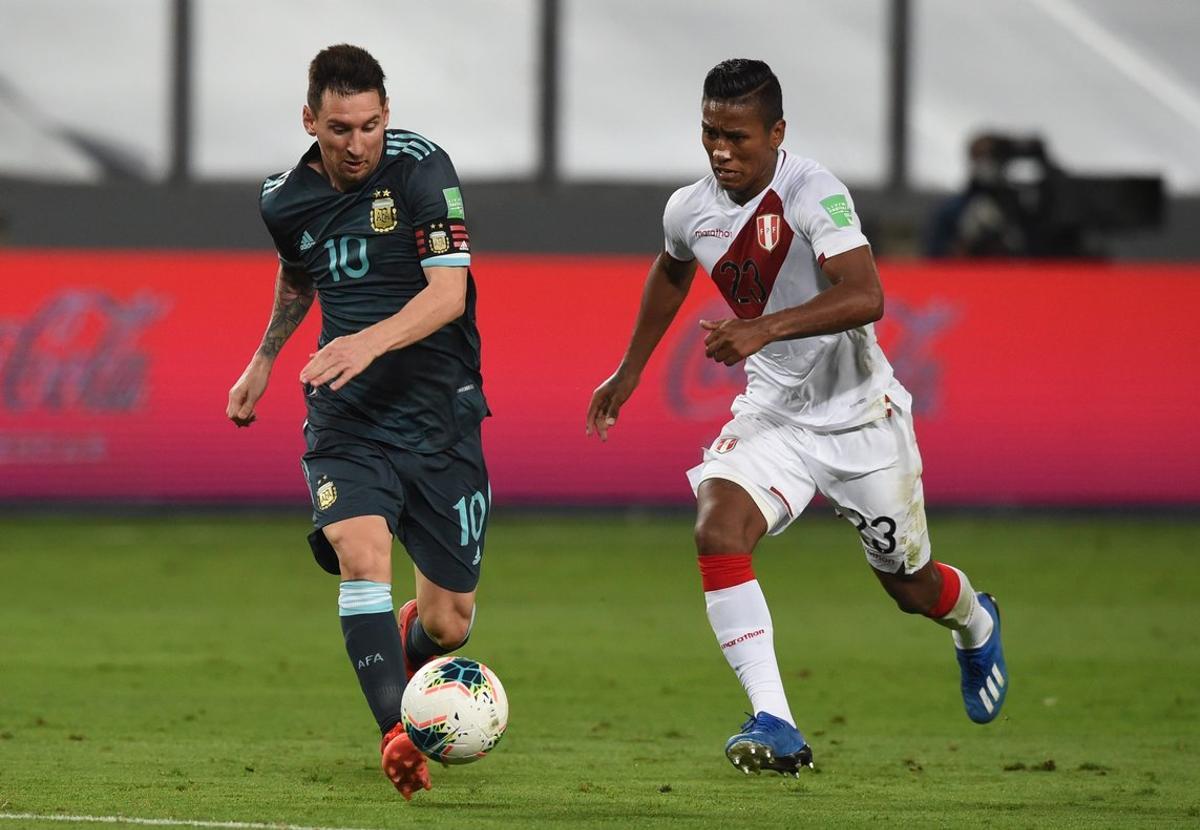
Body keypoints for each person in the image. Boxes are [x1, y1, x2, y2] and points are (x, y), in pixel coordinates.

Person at [586, 59, 1007, 776]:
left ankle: (976, 621)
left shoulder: (814, 191)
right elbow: (672, 268)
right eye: (710, 133)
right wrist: (630, 368)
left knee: (910, 586)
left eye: (739, 137)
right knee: (718, 527)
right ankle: (776, 720)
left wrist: (763, 328)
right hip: (775, 415)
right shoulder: (690, 208)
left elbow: (866, 294)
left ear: (777, 132)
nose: (721, 151)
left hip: (861, 421)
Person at [226, 44, 490, 800]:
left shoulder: (422, 169)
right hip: (349, 419)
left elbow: (447, 296)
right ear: (310, 120)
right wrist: (265, 359)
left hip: (442, 417)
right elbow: (298, 274)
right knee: (360, 549)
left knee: (449, 627)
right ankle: (395, 733)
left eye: (370, 125)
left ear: (387, 116)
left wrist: (362, 343)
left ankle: (409, 643)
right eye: (339, 128)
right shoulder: (283, 200)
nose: (356, 144)